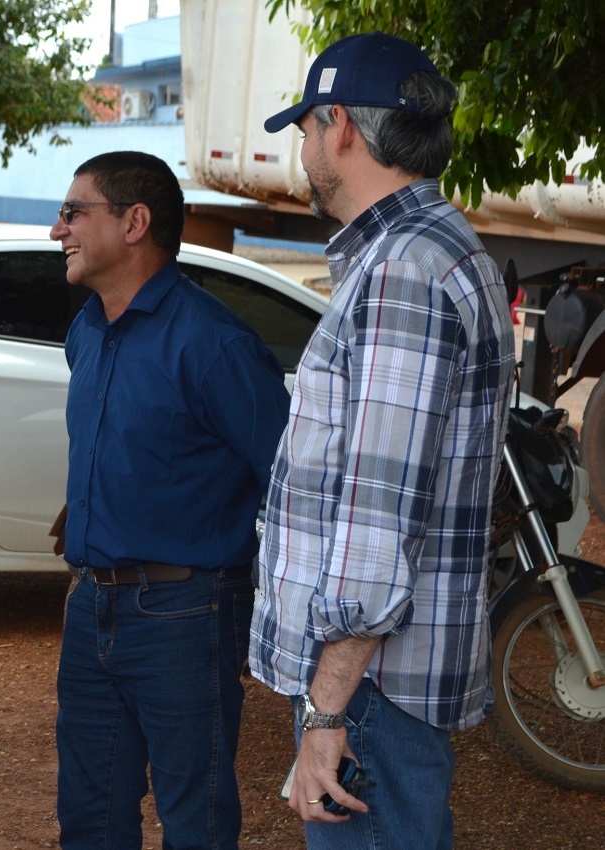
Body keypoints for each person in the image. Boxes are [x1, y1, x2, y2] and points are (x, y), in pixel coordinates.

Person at [249, 32, 516, 850]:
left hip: (370, 695)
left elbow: (377, 516)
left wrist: (327, 711)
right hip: (378, 690)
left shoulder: (402, 269)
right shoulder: (428, 250)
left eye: (304, 127)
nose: (303, 148)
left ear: (340, 127)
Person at [50, 150, 290, 850]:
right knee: (90, 819)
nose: (57, 229)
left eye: (73, 212)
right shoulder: (87, 329)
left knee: (196, 822)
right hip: (91, 605)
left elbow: (287, 477)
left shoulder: (215, 343)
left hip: (184, 613)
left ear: (134, 222)